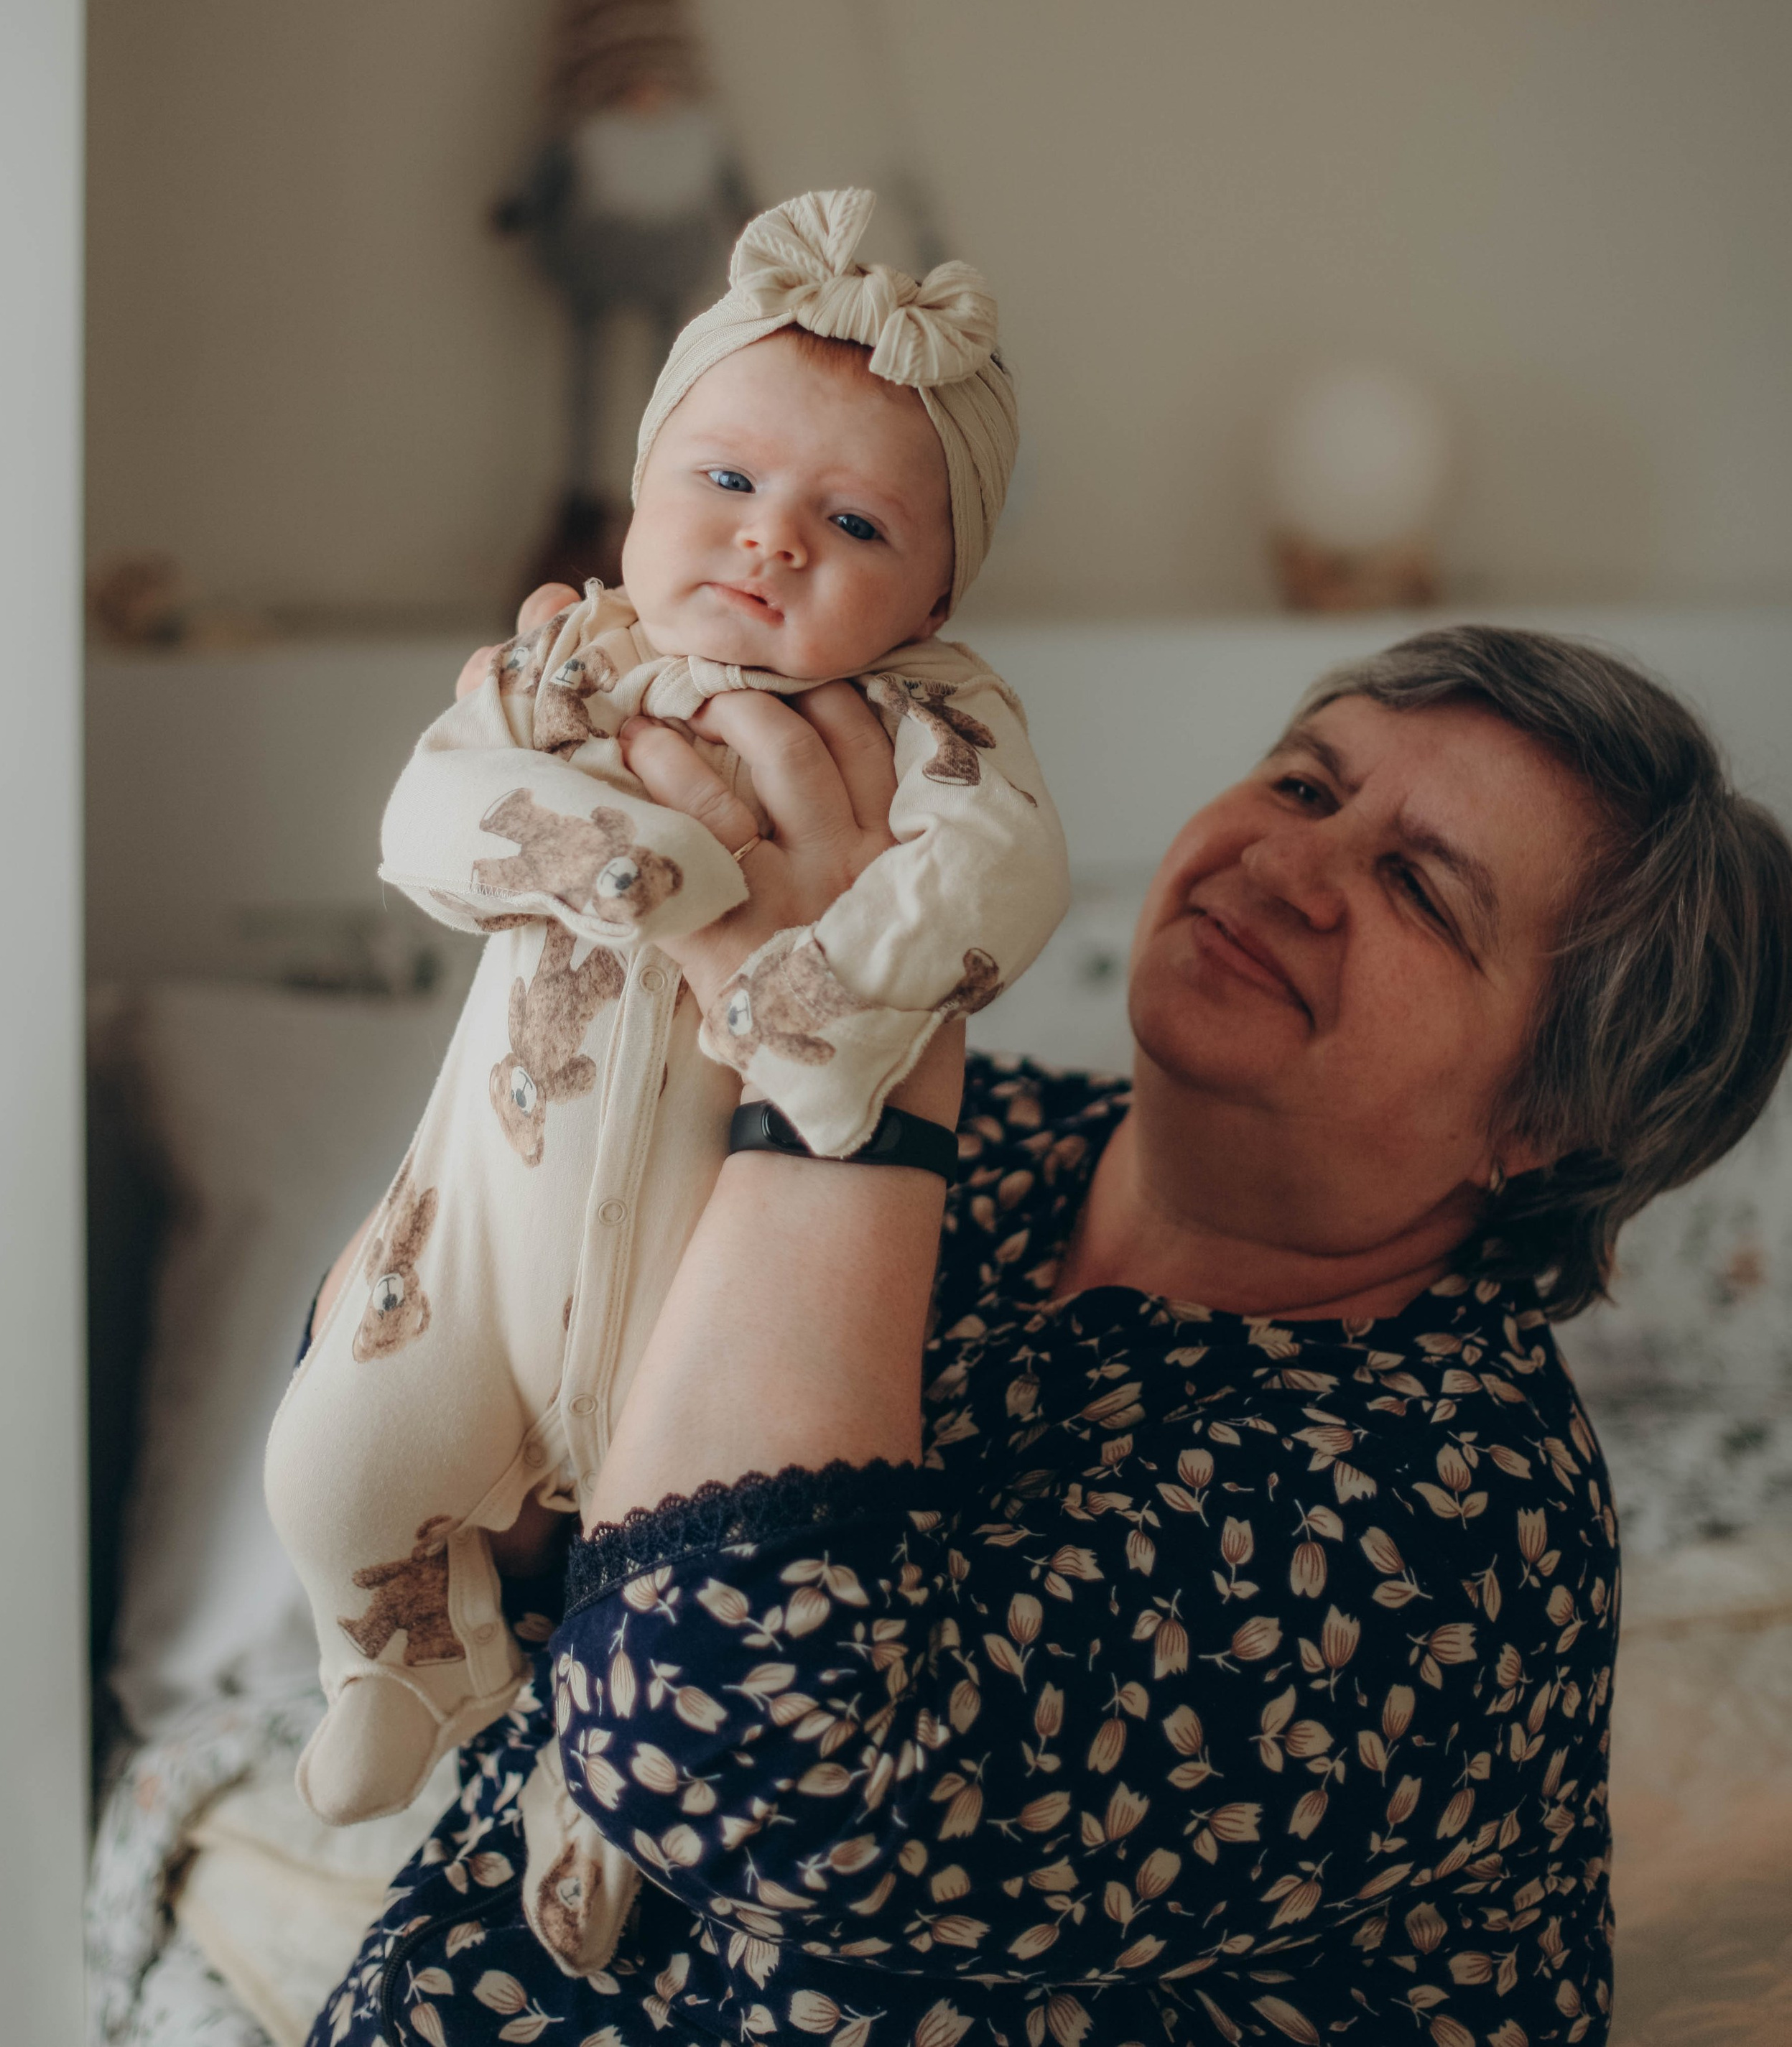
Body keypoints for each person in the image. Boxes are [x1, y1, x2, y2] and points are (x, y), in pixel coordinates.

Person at [306, 617, 1792, 2047]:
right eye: (1302, 782)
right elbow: (468, 1410)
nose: (1289, 862)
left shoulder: (1466, 1520)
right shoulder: (993, 1138)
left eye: (1417, 887)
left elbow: (726, 1755)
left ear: (1547, 1120)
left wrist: (851, 1052)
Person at [265, 190, 1069, 1968]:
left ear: (936, 588)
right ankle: (400, 1658)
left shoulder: (933, 731)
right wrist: (607, 861)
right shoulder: (569, 669)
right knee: (333, 1460)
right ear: (636, 504)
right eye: (722, 483)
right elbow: (428, 817)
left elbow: (993, 889)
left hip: (703, 1289)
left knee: (662, 1576)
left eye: (848, 521)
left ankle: (582, 1793)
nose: (769, 541)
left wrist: (799, 988)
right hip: (472, 1232)